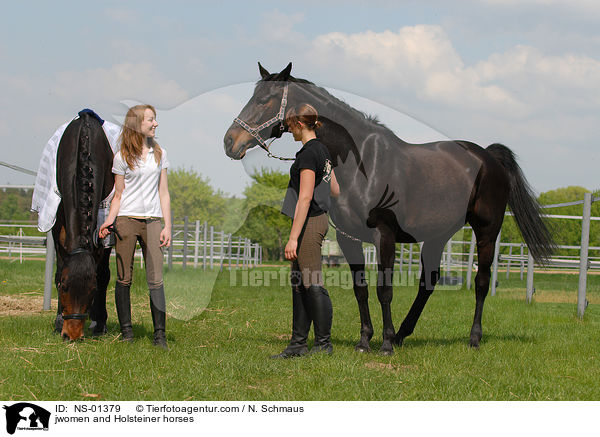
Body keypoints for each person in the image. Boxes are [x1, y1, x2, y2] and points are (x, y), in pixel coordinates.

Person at [98, 104, 171, 349]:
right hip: (126, 220)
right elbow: (117, 195)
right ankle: (127, 332)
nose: (155, 124)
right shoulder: (121, 157)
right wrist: (109, 220)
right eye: (151, 119)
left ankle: (159, 335)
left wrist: (167, 226)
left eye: (155, 119)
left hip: (152, 221)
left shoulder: (160, 153)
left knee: (156, 279)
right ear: (137, 124)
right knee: (123, 277)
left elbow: (164, 193)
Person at [273, 103, 340, 359]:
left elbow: (304, 197)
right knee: (300, 283)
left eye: (291, 127)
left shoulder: (308, 153)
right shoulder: (322, 150)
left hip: (310, 221)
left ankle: (323, 345)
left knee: (312, 283)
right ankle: (297, 344)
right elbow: (335, 188)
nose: (290, 132)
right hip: (316, 218)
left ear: (300, 124)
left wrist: (292, 238)